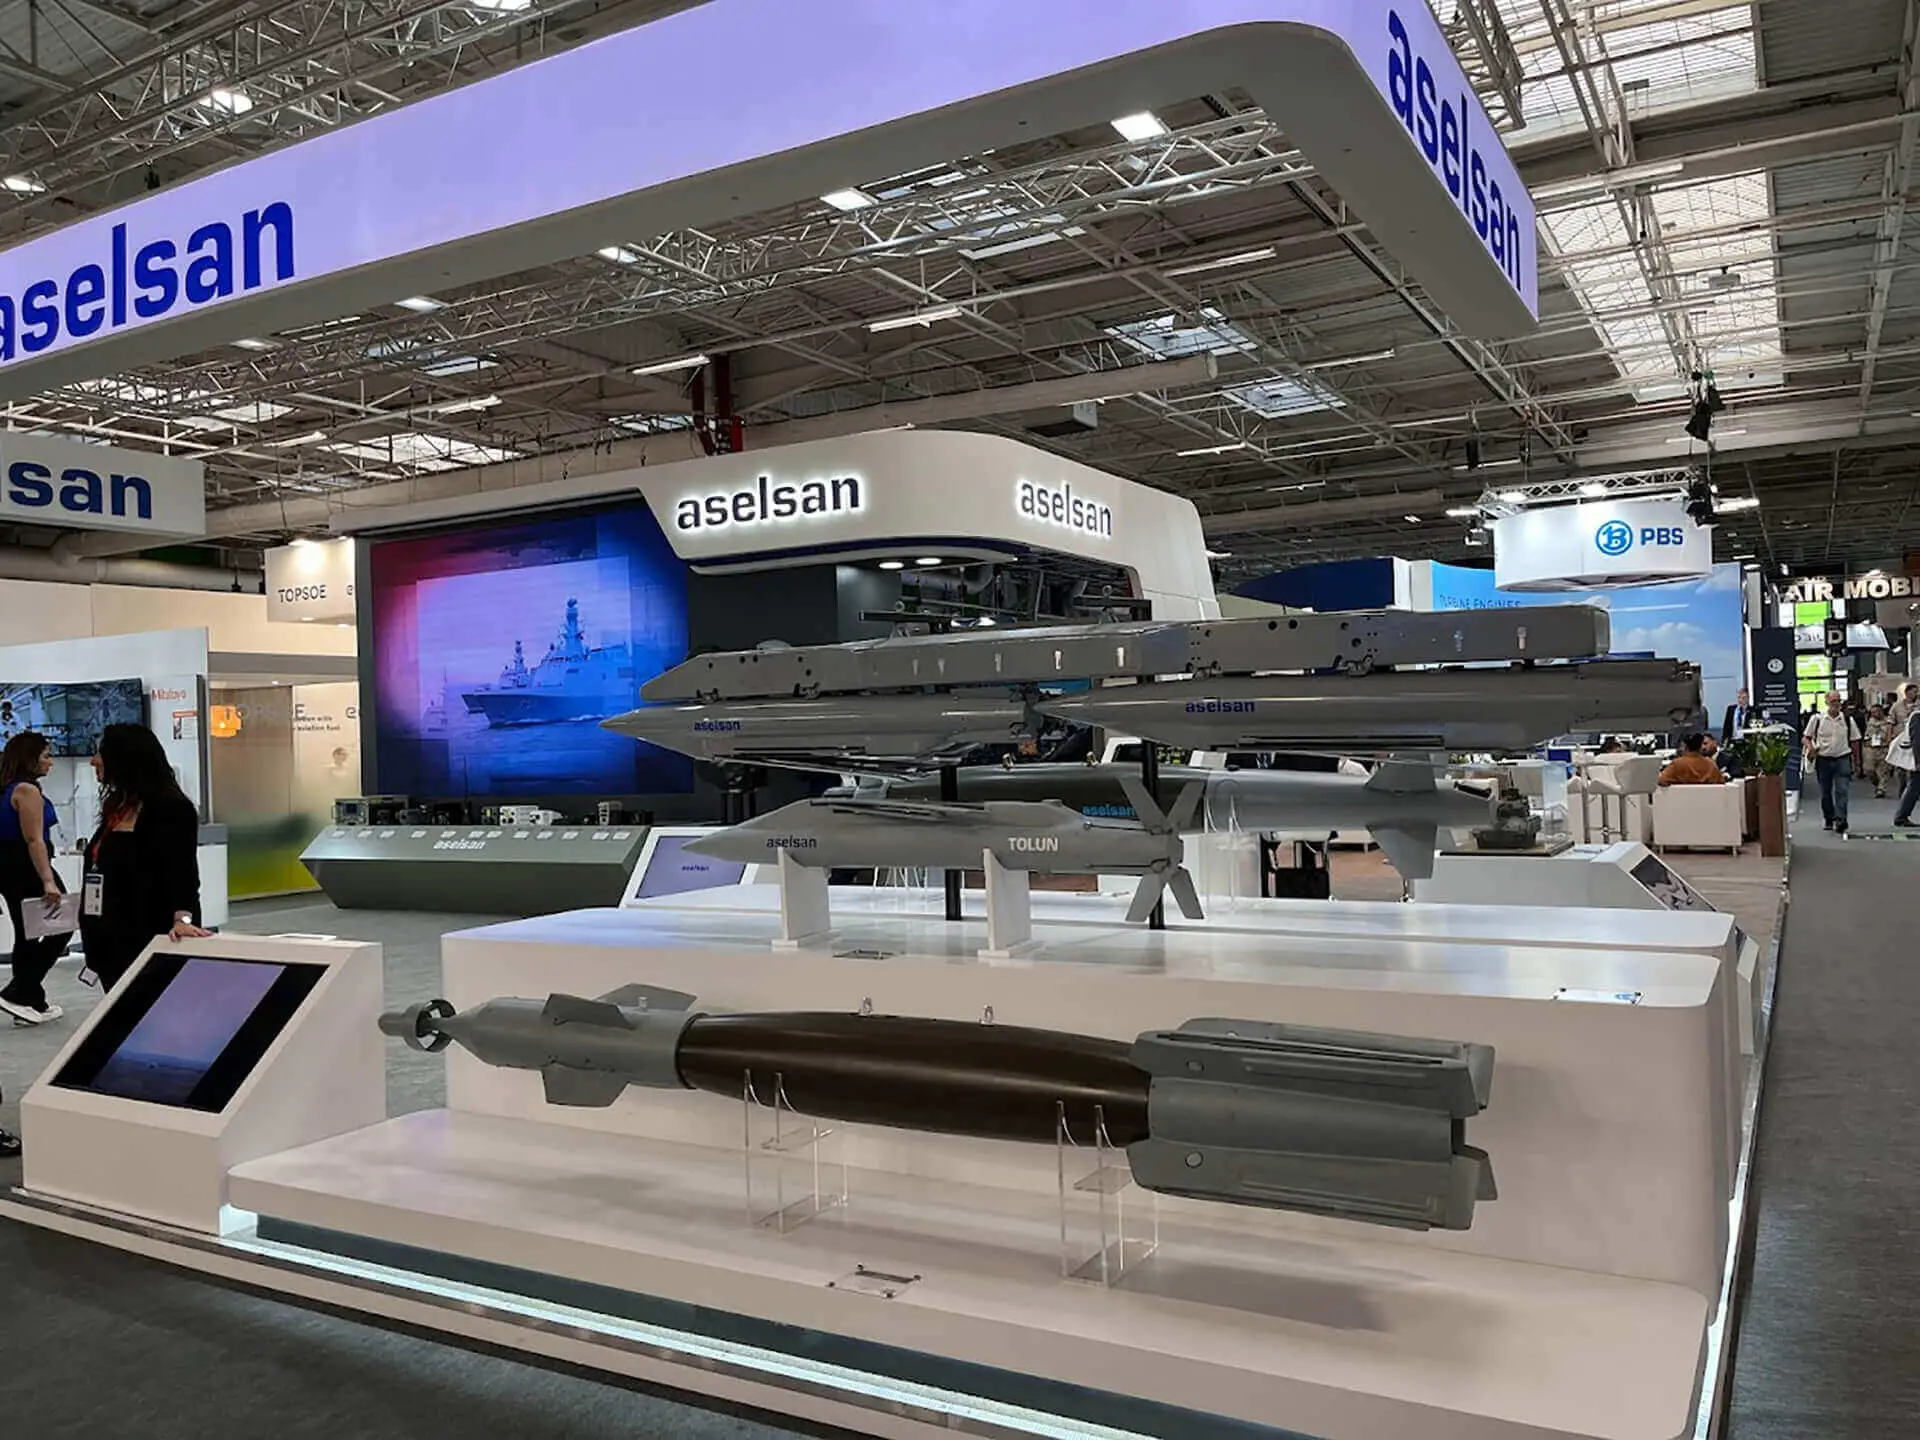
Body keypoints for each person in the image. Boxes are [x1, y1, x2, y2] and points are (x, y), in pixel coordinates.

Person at [79, 724, 208, 992]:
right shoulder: (118, 807)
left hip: (147, 938)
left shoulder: (171, 809)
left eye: (101, 753)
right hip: (108, 941)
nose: (94, 761)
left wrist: (183, 921)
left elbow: (182, 874)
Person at [0, 731, 71, 1026]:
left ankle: (32, 1001)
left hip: (6, 868)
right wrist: (47, 880)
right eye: (46, 756)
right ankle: (18, 992)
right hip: (27, 866)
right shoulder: (26, 791)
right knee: (63, 925)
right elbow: (34, 840)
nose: (50, 762)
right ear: (29, 759)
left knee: (27, 933)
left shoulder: (5, 789)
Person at [1805, 690, 1863, 835]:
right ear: (1826, 702)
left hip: (1842, 758)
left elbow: (1855, 741)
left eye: (1838, 701)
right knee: (1825, 792)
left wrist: (1857, 762)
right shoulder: (1817, 719)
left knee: (1842, 791)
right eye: (1833, 701)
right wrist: (1811, 747)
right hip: (1823, 759)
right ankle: (1829, 818)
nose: (1836, 704)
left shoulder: (1847, 720)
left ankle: (1841, 820)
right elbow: (1806, 737)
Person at [1659, 733, 1729, 787]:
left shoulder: (1677, 764)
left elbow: (1662, 781)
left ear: (1686, 747)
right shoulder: (1711, 764)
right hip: (1707, 800)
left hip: (1682, 799)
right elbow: (1721, 782)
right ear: (1700, 746)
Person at [1865, 704, 1894, 800]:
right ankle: (1877, 783)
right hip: (1871, 748)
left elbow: (1891, 734)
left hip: (1883, 747)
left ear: (1881, 711)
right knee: (1869, 769)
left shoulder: (1888, 722)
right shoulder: (1869, 722)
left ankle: (1881, 789)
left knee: (1884, 770)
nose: (1875, 714)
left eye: (1877, 711)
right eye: (1872, 712)